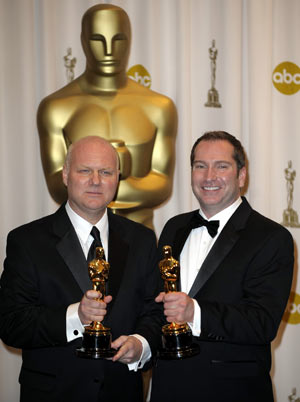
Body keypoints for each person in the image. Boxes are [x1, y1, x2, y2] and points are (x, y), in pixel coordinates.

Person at [0, 136, 162, 402]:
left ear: (117, 178)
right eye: (85, 170)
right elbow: (11, 324)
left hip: (122, 393)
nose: (96, 180)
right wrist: (76, 316)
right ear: (65, 175)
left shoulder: (142, 240)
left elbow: (154, 312)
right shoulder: (27, 241)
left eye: (106, 172)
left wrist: (141, 344)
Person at [150, 131, 294, 402]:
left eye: (222, 166)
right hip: (168, 387)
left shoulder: (271, 237)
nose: (209, 176)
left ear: (241, 176)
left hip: (232, 391)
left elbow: (262, 322)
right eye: (200, 166)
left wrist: (195, 312)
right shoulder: (173, 228)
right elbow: (157, 304)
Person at [37, 3, 177, 229]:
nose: (109, 50)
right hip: (78, 240)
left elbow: (162, 184)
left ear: (130, 40)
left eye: (118, 39)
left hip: (140, 242)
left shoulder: (159, 107)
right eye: (97, 40)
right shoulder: (56, 107)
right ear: (83, 41)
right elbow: (56, 185)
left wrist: (91, 183)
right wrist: (116, 181)